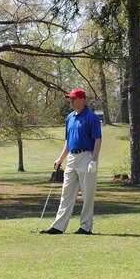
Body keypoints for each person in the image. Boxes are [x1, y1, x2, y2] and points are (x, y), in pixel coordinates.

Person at [42, 88, 102, 235]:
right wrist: (60, 158)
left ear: (82, 100)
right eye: (71, 99)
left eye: (74, 99)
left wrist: (94, 160)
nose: (71, 101)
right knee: (66, 193)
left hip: (87, 156)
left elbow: (98, 140)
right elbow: (68, 142)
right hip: (72, 158)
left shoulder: (91, 117)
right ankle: (58, 226)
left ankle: (85, 227)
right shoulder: (70, 117)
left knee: (87, 194)